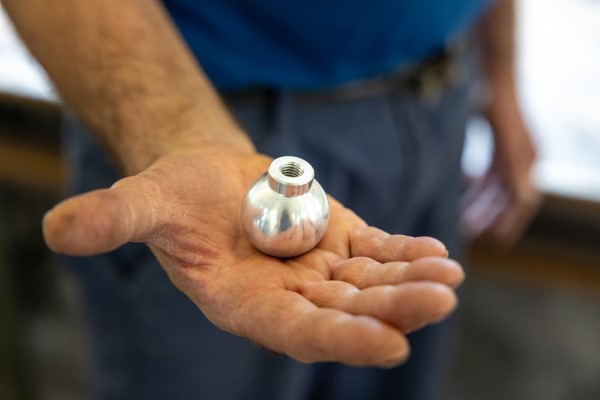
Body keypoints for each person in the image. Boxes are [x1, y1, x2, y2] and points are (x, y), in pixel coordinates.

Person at [3, 0, 538, 399]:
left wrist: (501, 77)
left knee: (390, 356)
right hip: (208, 117)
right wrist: (180, 135)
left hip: (443, 91)